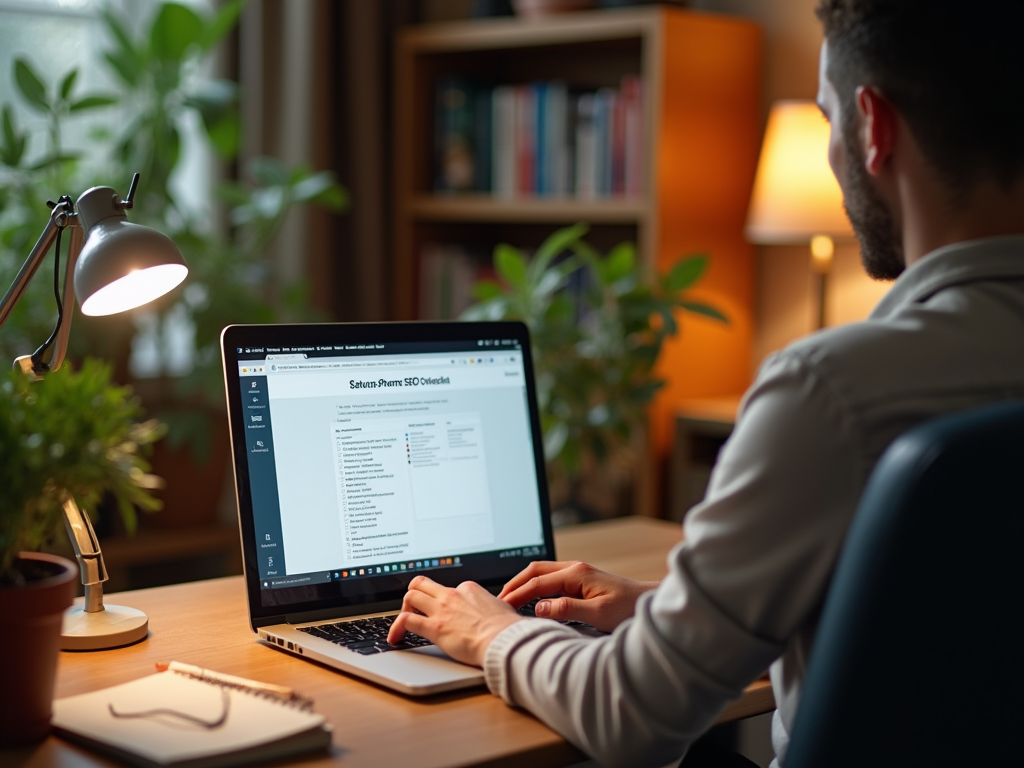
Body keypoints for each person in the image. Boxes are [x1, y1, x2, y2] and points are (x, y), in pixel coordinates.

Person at [388, 1, 1024, 765]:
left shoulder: (832, 392)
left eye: (828, 121)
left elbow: (634, 720)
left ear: (874, 128)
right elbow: (945, 636)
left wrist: (496, 632)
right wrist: (669, 618)